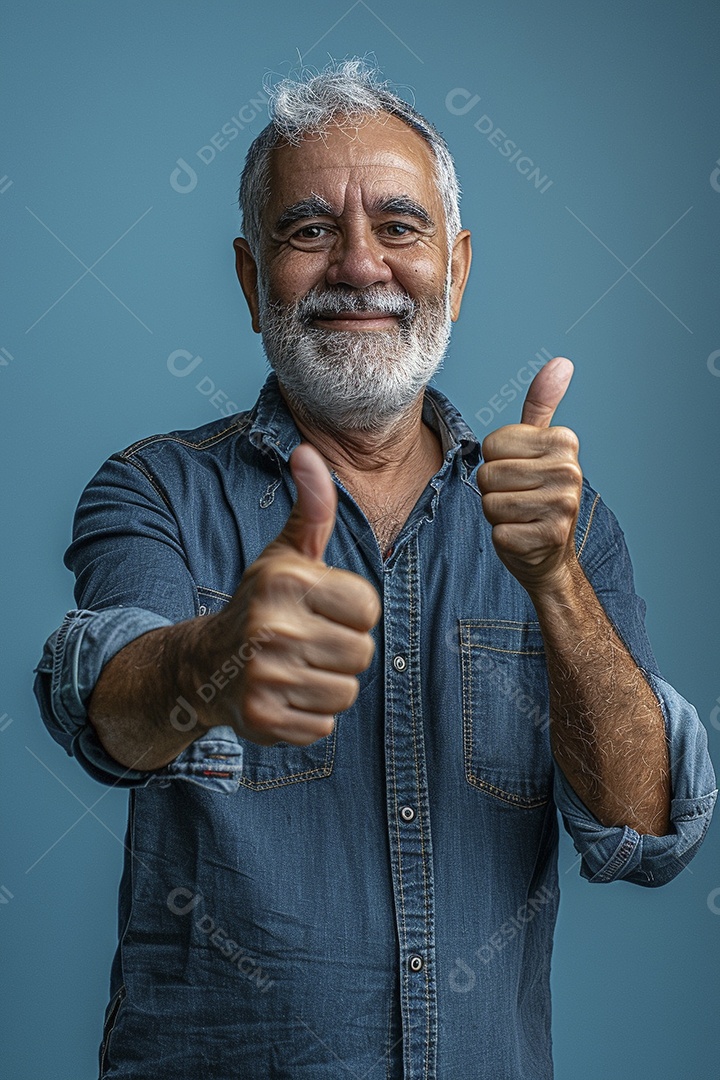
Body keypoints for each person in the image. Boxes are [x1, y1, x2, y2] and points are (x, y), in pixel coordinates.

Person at [34, 59, 715, 1079]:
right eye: (309, 230)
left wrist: (555, 581)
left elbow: (645, 828)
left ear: (460, 264)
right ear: (249, 277)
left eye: (400, 227)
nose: (360, 265)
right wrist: (219, 656)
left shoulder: (566, 524)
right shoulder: (156, 490)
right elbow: (110, 710)